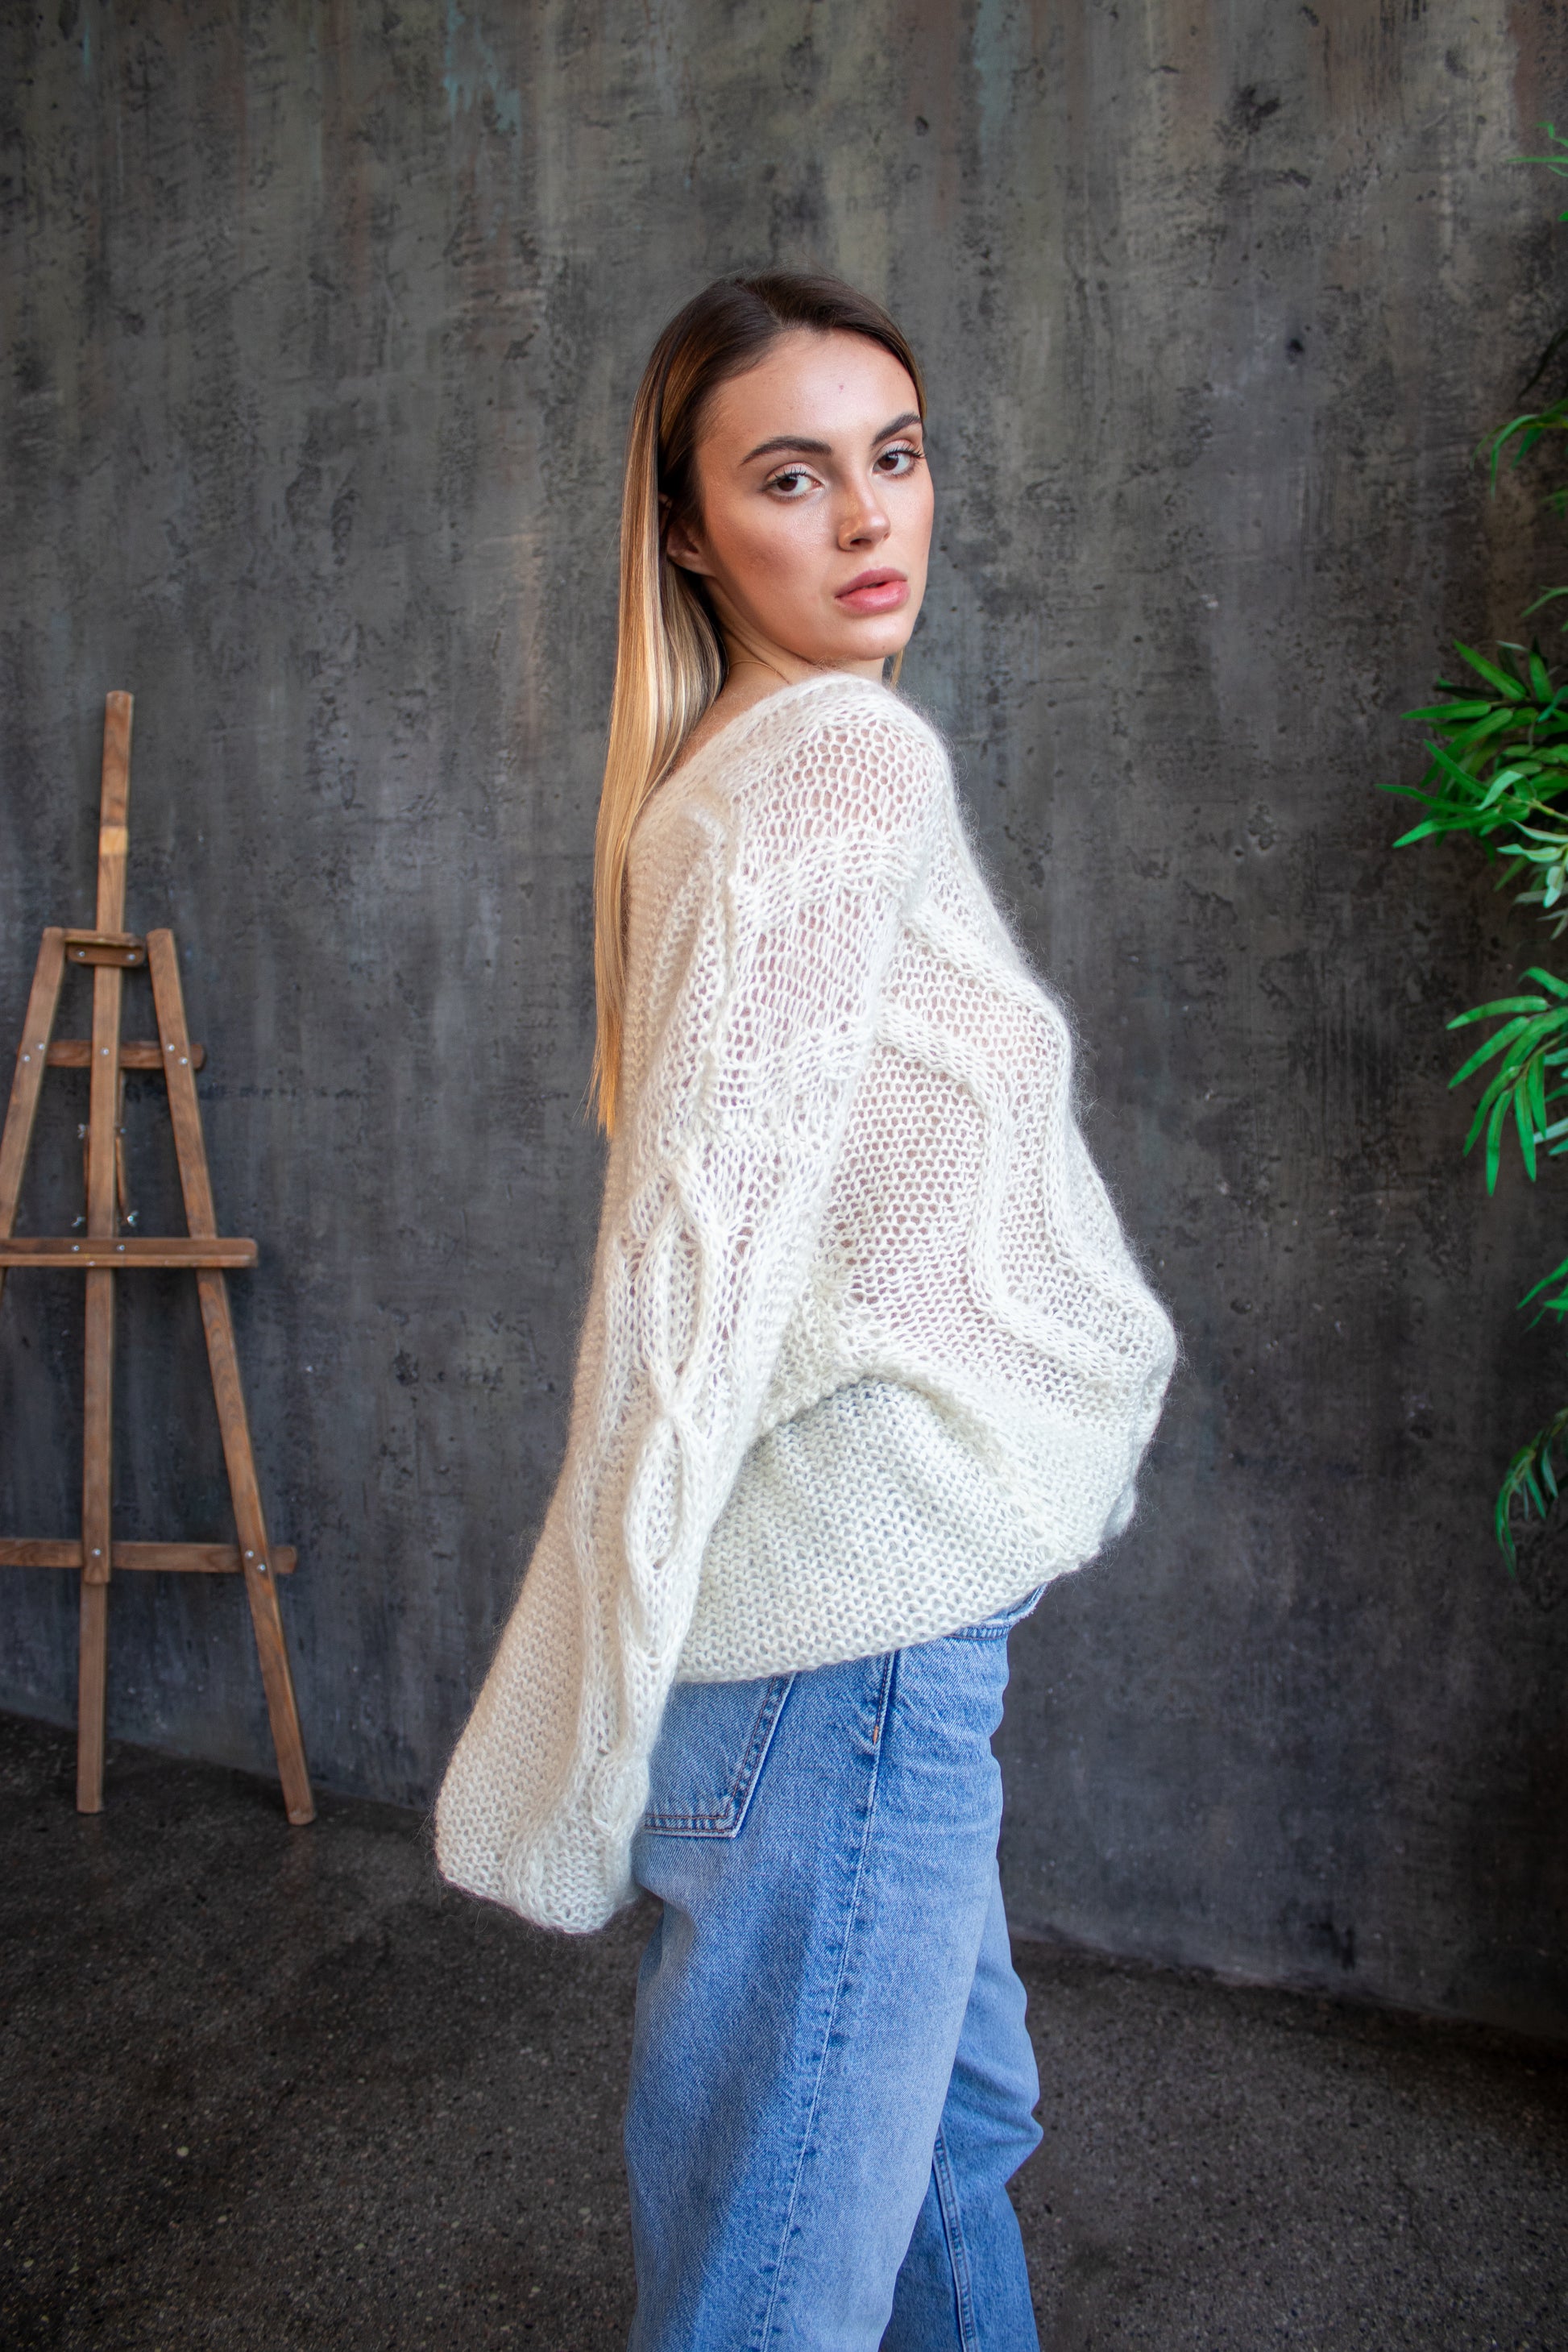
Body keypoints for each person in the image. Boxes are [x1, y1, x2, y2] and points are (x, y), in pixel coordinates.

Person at [436, 272, 1176, 2350]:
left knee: (944, 2147)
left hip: (829, 1637)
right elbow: (706, 1270)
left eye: (897, 456)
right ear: (687, 532)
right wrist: (612, 1630)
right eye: (790, 477)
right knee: (778, 2278)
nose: (868, 519)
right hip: (841, 1648)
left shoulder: (717, 783)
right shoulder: (839, 767)